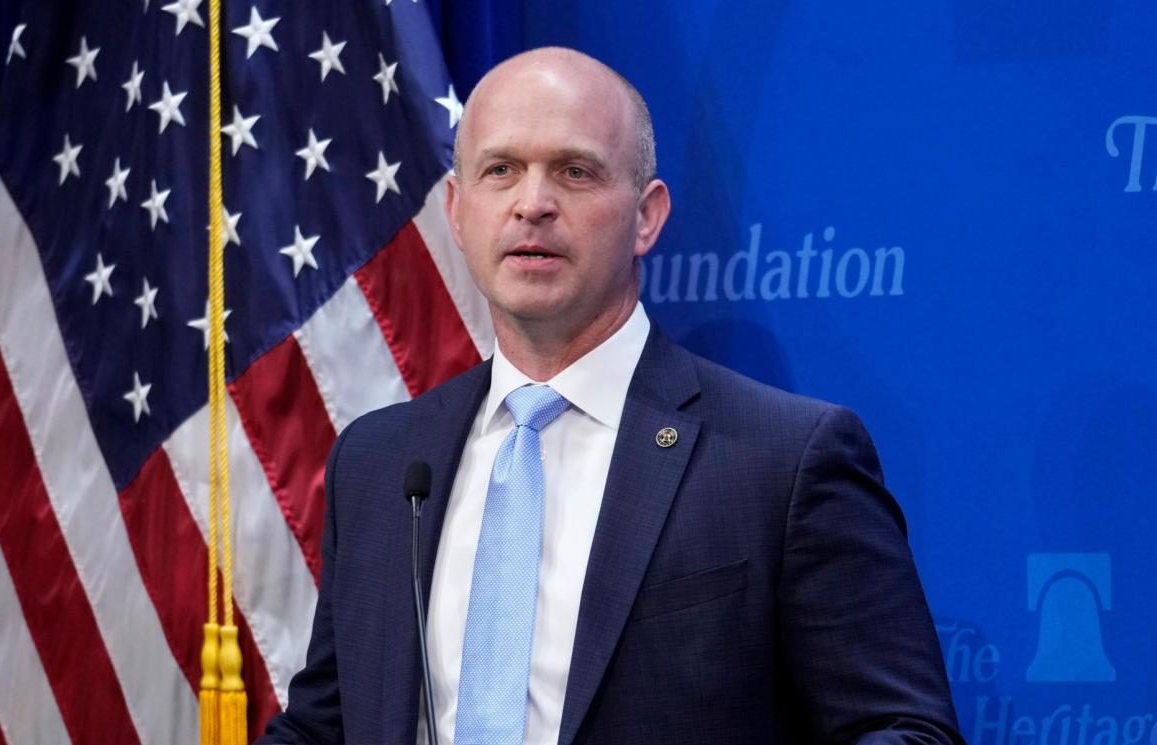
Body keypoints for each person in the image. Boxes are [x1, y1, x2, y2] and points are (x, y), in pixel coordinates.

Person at [260, 47, 963, 745]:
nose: (532, 204)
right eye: (500, 170)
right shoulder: (380, 460)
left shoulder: (784, 461)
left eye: (574, 171)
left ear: (647, 216)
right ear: (457, 211)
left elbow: (903, 730)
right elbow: (329, 725)